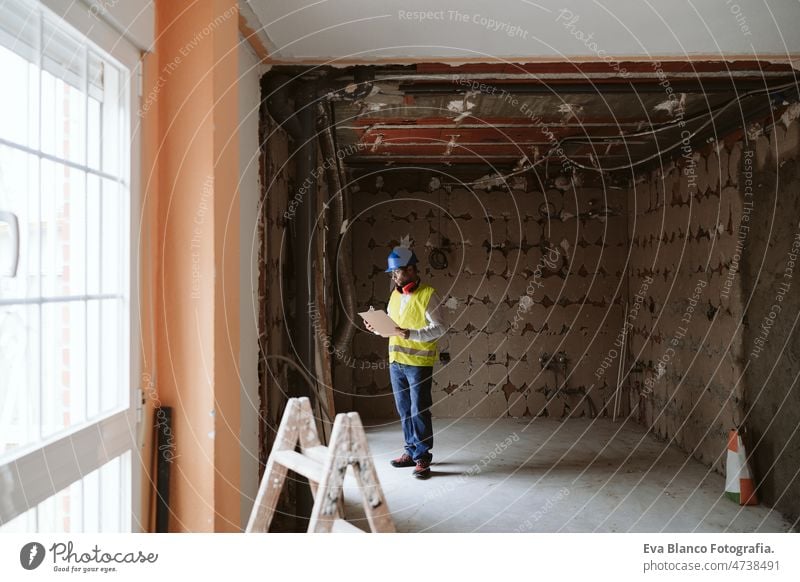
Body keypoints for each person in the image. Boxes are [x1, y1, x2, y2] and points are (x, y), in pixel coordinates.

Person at [364, 246, 448, 479]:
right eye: (392, 274)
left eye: (397, 272)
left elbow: (440, 328)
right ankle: (410, 452)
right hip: (396, 362)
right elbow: (393, 329)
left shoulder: (428, 295)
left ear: (411, 270)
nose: (393, 277)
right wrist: (376, 328)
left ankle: (422, 457)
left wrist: (410, 334)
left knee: (418, 409)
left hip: (418, 364)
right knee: (404, 410)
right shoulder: (395, 295)